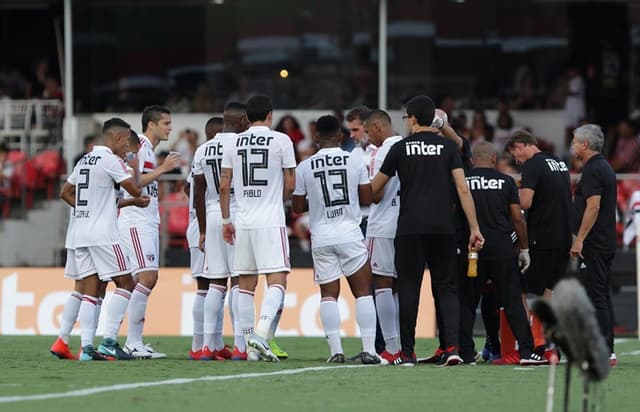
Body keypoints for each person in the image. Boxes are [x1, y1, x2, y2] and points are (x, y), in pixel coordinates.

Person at [370, 95, 484, 366]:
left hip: (410, 227)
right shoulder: (448, 149)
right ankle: (453, 348)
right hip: (443, 227)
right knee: (446, 287)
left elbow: (375, 189)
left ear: (411, 119)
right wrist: (474, 228)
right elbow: (463, 188)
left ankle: (407, 352)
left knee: (409, 287)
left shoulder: (399, 148)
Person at [50, 131, 150, 360]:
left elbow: (65, 192)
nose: (127, 148)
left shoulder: (85, 159)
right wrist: (134, 167)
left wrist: (87, 212)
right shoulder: (110, 160)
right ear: (117, 138)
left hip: (80, 233)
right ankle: (109, 341)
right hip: (103, 234)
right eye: (126, 143)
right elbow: (135, 187)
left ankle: (82, 347)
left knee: (88, 289)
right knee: (126, 283)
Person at [292, 115, 381, 364]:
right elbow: (366, 198)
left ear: (316, 137)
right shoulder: (355, 161)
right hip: (350, 233)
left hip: (321, 236)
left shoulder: (305, 166)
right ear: (341, 137)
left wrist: (319, 200)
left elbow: (298, 206)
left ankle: (335, 352)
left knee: (328, 295)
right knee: (363, 292)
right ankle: (369, 350)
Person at [219, 95, 296, 362]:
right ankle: (260, 335)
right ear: (270, 115)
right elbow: (290, 183)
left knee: (245, 285)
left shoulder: (234, 142)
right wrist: (278, 199)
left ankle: (250, 346)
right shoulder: (281, 140)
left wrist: (227, 220)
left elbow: (224, 184)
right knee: (278, 279)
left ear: (246, 118)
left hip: (243, 220)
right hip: (270, 219)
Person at [459, 142, 547, 365]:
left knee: (468, 302)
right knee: (512, 302)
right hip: (502, 250)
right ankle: (526, 352)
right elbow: (518, 219)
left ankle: (466, 352)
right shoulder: (506, 181)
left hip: (472, 250)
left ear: (471, 160)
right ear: (494, 159)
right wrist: (524, 249)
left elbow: (454, 214)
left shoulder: (462, 182)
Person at [118, 105, 181, 359]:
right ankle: (132, 341)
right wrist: (163, 170)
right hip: (135, 220)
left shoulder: (148, 150)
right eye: (165, 123)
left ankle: (133, 341)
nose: (170, 127)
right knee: (147, 278)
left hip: (146, 220)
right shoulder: (140, 147)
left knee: (141, 281)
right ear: (151, 125)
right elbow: (133, 184)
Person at [506, 129, 573, 358]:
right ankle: (550, 346)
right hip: (562, 237)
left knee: (523, 291)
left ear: (520, 145)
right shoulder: (559, 163)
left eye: (515, 155)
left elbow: (525, 201)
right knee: (548, 292)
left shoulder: (533, 165)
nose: (517, 160)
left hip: (541, 237)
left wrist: (505, 194)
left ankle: (533, 343)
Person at [570, 124, 618, 366]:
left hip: (594, 244)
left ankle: (603, 349)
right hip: (603, 241)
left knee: (595, 295)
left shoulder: (593, 170)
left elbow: (593, 206)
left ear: (585, 144)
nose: (573, 145)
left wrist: (579, 238)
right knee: (601, 295)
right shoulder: (603, 167)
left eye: (575, 141)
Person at [362, 110, 403, 362]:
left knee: (382, 285)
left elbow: (374, 194)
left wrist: (360, 188)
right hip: (405, 225)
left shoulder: (381, 152)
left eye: (367, 131)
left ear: (378, 127)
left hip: (382, 224)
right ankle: (400, 345)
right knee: (398, 288)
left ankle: (392, 347)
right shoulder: (405, 146)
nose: (367, 137)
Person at [188, 116, 228, 361]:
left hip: (200, 223)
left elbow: (189, 188)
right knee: (212, 286)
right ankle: (200, 344)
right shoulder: (228, 153)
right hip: (211, 221)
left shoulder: (200, 155)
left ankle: (213, 343)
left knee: (211, 286)